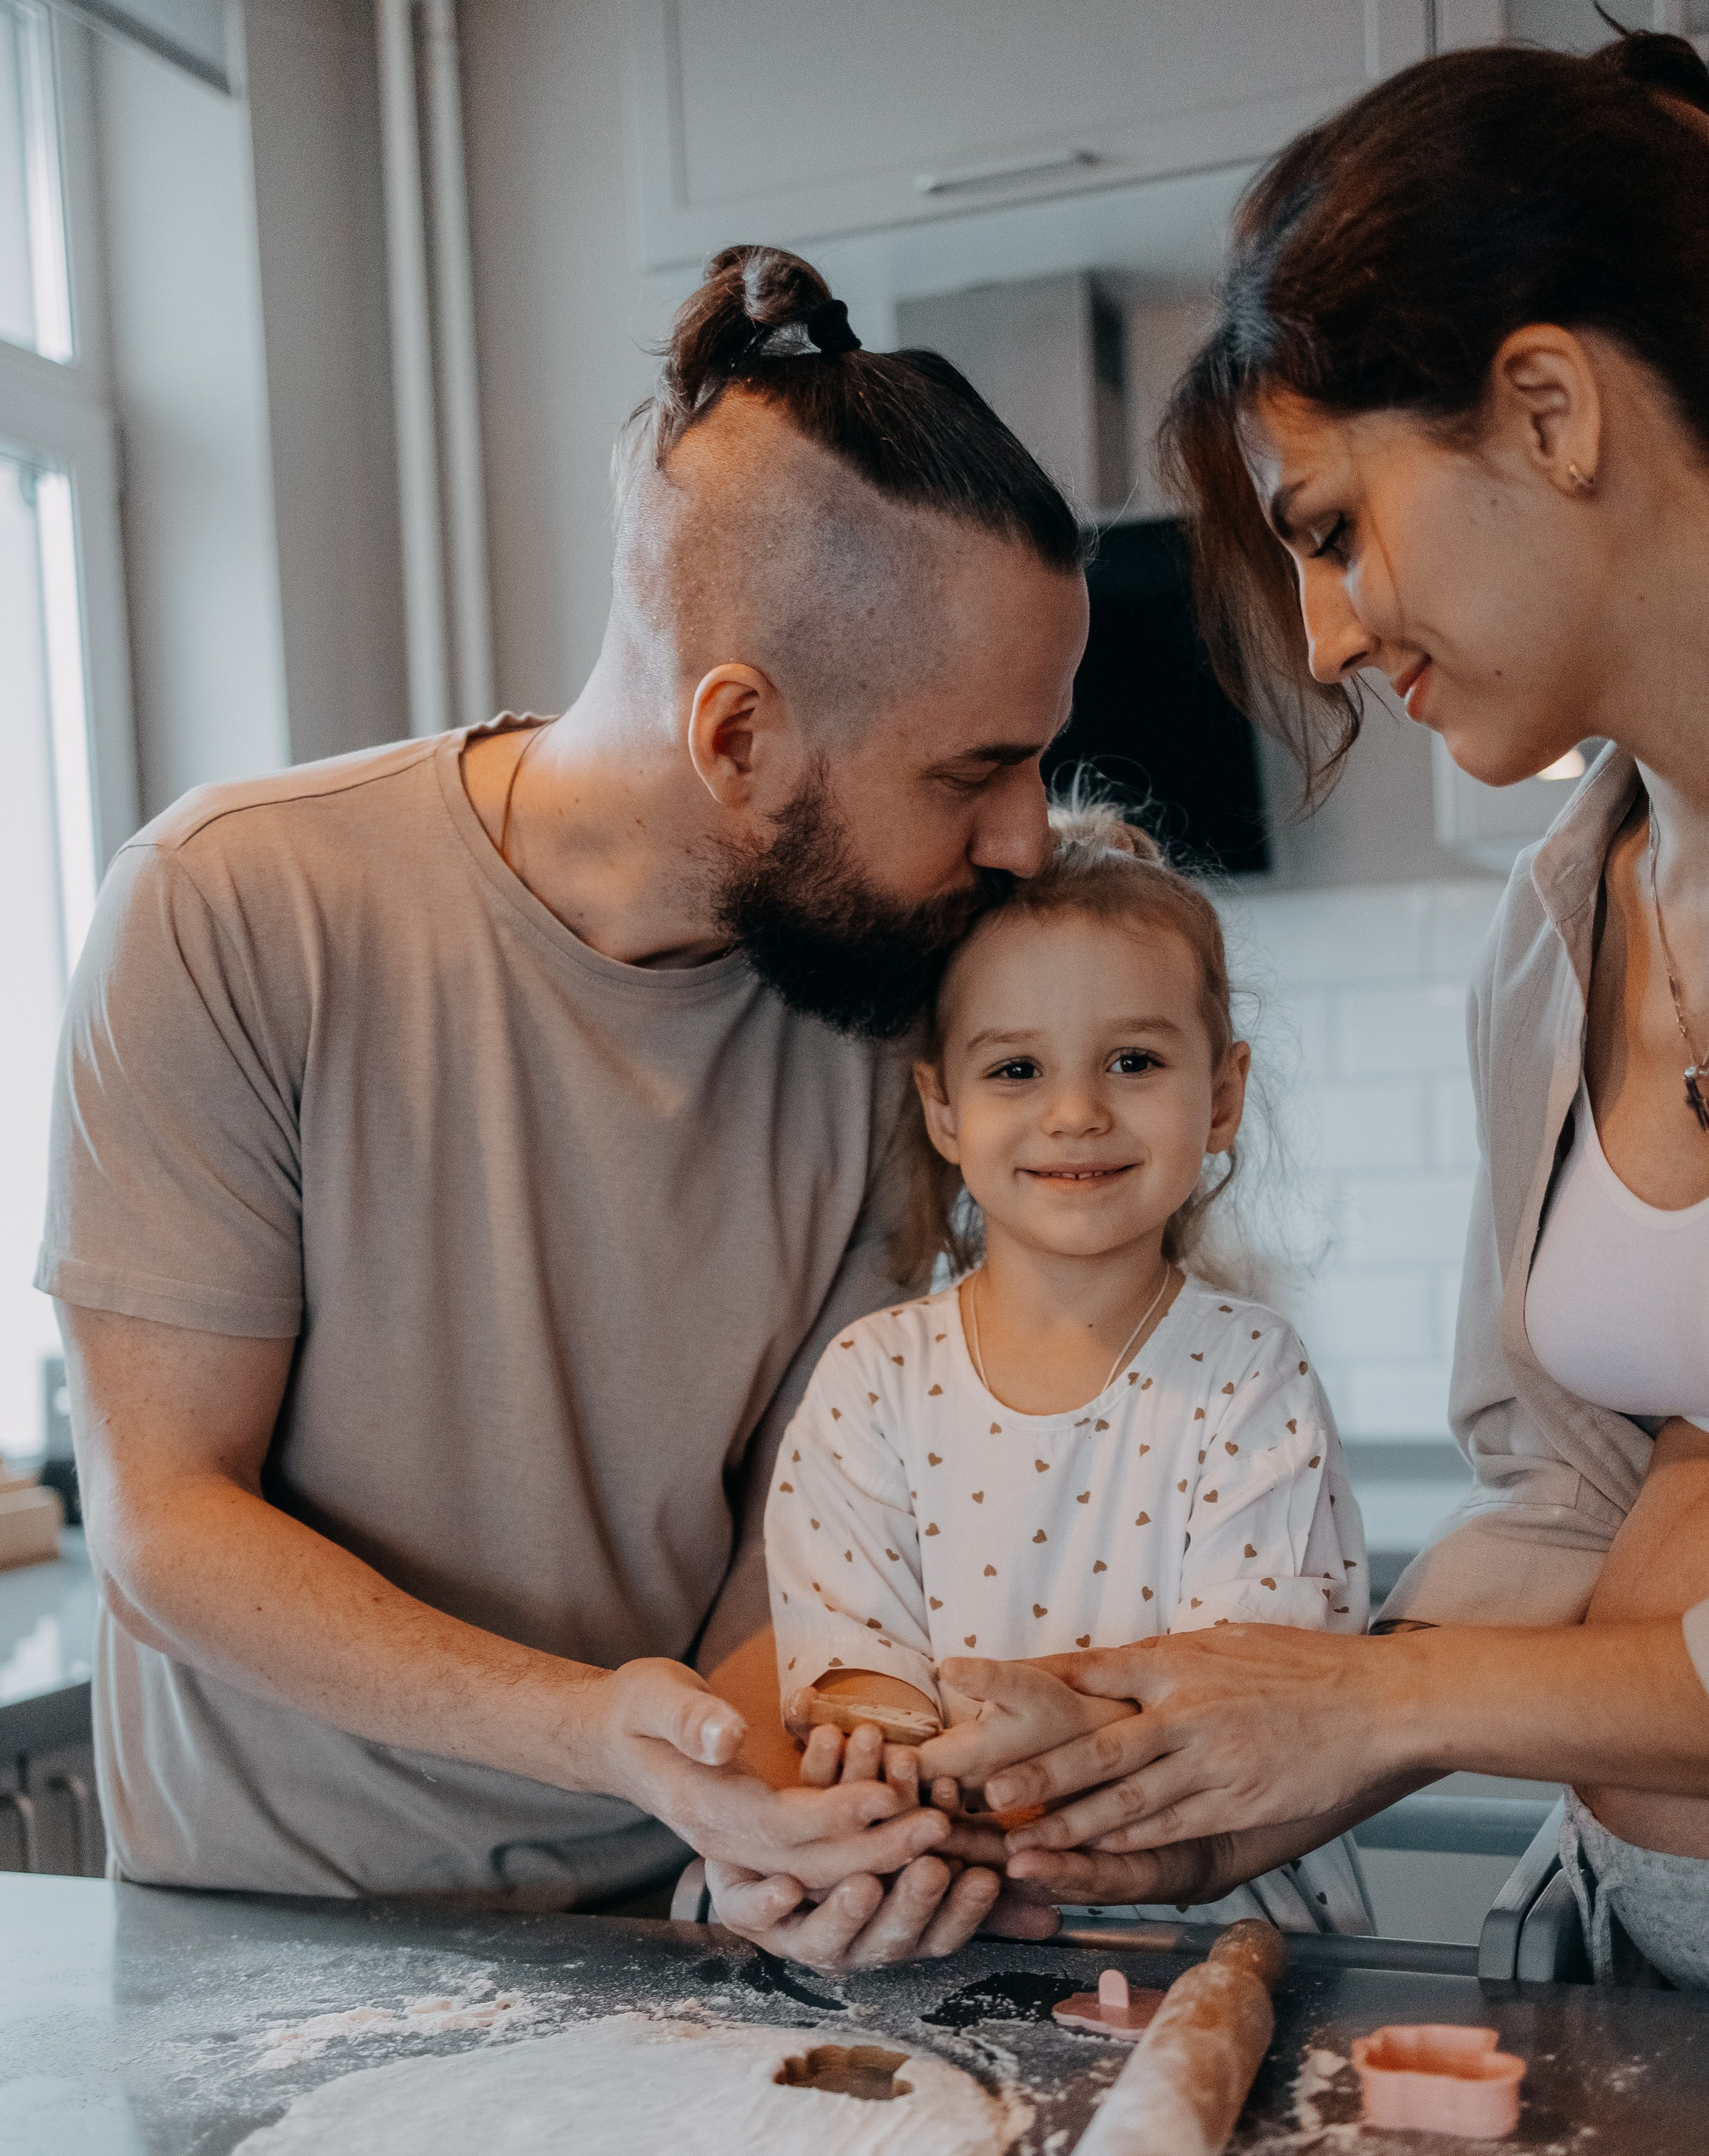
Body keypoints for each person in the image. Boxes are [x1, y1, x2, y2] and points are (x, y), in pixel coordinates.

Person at [38, 242, 1087, 1970]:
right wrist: (614, 1738)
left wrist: (763, 1823)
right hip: (268, 1939)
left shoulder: (865, 1009)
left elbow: (789, 1542)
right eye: (973, 769)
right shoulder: (233, 908)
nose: (1024, 839)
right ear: (738, 735)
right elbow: (168, 1528)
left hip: (673, 1923)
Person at [939, 32, 1709, 1990]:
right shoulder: (1563, 933)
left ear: (1548, 410)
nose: (1330, 639)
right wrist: (1210, 1743)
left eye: (1335, 527)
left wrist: (1377, 1709)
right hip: (1642, 1958)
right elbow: (1575, 1506)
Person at [753, 806, 1373, 1938]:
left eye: (1133, 1061)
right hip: (942, 1920)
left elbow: (1263, 1683)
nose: (1077, 1111)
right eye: (1017, 1068)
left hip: (1214, 1926)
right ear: (944, 1108)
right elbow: (852, 1659)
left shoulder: (1248, 1377)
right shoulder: (872, 1381)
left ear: (1222, 1096)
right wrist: (882, 1742)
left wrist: (1014, 1743)